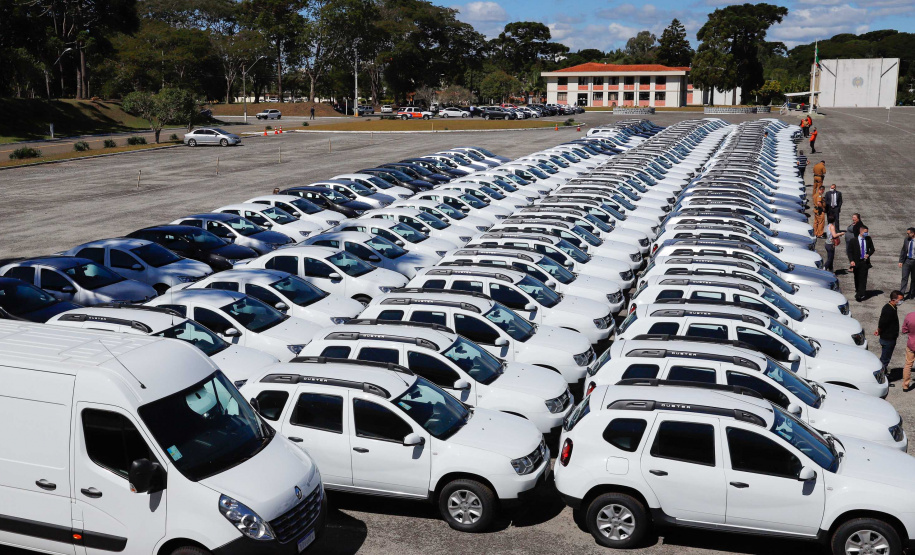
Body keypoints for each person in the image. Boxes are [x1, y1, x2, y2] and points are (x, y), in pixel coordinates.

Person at [875, 290, 903, 376]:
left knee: (886, 357)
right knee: (885, 359)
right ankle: (880, 376)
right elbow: (882, 322)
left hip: (890, 338)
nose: (901, 301)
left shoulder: (892, 307)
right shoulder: (888, 310)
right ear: (894, 299)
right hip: (888, 339)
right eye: (900, 299)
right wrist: (879, 330)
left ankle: (882, 372)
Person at [848, 225, 875, 302]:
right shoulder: (853, 240)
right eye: (865, 232)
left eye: (867, 232)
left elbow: (872, 249)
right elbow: (849, 251)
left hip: (864, 262)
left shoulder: (868, 239)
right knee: (857, 277)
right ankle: (858, 290)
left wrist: (868, 254)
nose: (867, 233)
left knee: (863, 278)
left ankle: (860, 294)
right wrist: (851, 260)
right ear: (861, 231)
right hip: (856, 262)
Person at [901, 309, 915, 391]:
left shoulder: (909, 316)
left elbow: (904, 330)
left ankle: (905, 385)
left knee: (908, 365)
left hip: (911, 343)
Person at [899, 228, 915, 299]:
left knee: (913, 279)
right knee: (904, 278)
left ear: (913, 233)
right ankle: (901, 294)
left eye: (908, 233)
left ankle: (911, 293)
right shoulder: (906, 240)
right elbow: (903, 250)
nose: (907, 235)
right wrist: (901, 261)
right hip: (907, 261)